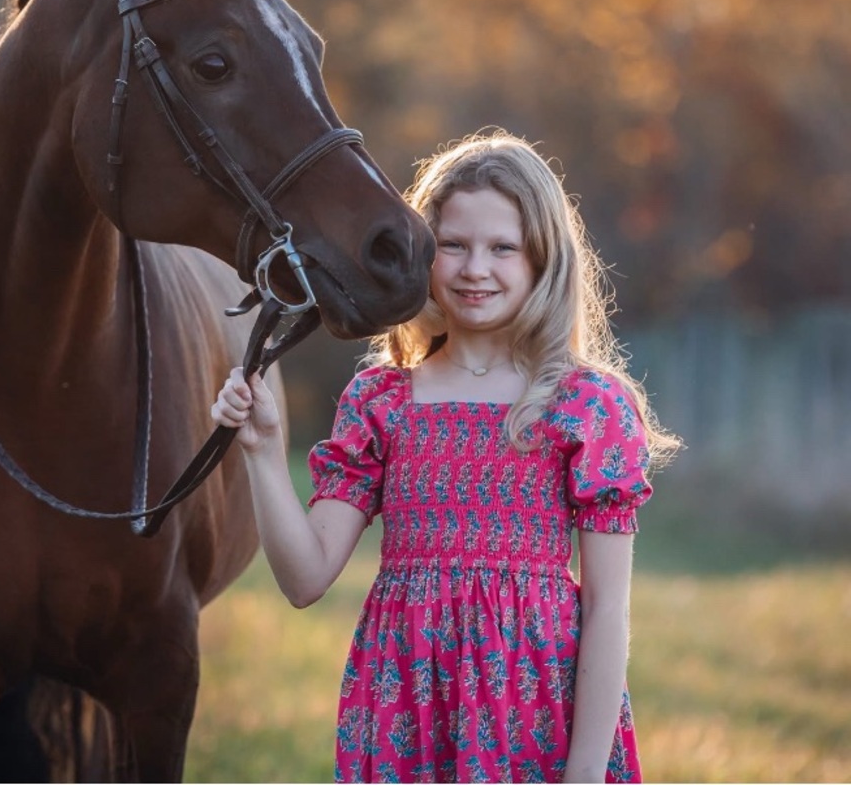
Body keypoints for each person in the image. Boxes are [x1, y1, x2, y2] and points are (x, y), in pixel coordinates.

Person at [211, 130, 679, 784]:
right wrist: (261, 451)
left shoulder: (585, 406)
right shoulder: (382, 400)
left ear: (543, 260)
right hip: (407, 713)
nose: (473, 268)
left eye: (502, 249)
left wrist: (584, 773)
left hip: (538, 719)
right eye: (453, 245)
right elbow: (304, 577)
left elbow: (606, 609)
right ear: (423, 254)